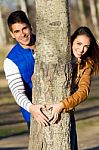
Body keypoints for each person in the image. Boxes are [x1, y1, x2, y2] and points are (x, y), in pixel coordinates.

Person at [47, 26, 99, 149]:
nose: (81, 49)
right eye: (79, 43)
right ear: (71, 41)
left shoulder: (86, 65)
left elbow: (83, 91)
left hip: (67, 111)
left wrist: (62, 105)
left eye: (86, 46)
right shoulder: (56, 56)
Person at [4, 10, 49, 129]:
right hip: (35, 115)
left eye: (24, 28)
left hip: (60, 109)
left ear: (31, 27)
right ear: (12, 34)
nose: (22, 34)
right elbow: (17, 91)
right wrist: (31, 108)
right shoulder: (11, 61)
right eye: (17, 31)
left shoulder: (48, 45)